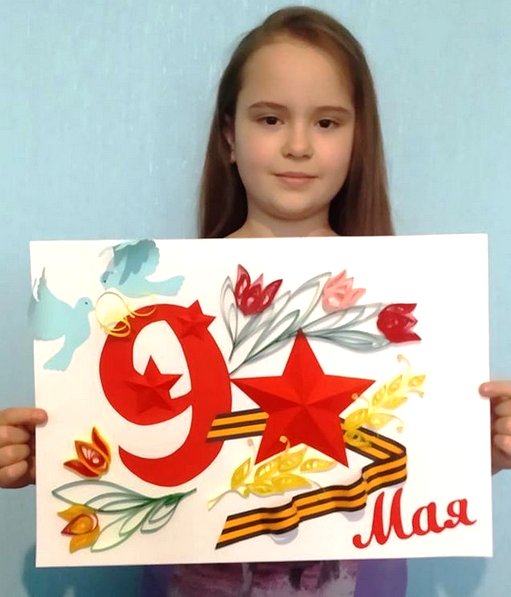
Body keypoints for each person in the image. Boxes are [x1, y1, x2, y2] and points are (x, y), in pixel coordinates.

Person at [1, 5, 510, 597]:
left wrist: (478, 451)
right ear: (229, 137)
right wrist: (50, 454)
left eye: (327, 122)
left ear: (357, 139)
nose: (298, 145)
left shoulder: (412, 301)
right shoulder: (162, 308)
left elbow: (415, 463)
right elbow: (137, 442)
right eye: (270, 119)